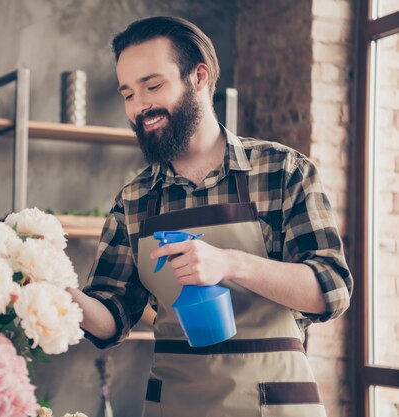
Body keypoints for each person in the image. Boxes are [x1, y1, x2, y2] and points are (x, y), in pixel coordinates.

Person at [67, 16, 353, 417]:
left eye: (153, 86)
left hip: (277, 406)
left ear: (198, 77)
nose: (139, 106)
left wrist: (230, 262)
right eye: (128, 94)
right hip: (175, 406)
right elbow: (112, 316)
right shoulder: (134, 200)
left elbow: (332, 290)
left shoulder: (282, 170)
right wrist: (62, 298)